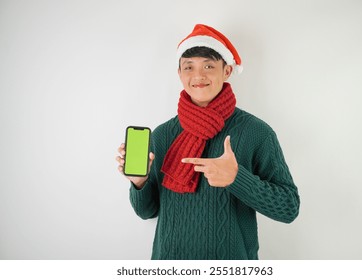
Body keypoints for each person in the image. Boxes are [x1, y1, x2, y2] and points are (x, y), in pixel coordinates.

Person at [116, 24, 300, 260]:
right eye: (189, 67)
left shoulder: (256, 132)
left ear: (227, 71)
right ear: (179, 74)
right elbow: (146, 211)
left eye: (209, 66)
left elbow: (288, 208)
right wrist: (139, 182)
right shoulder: (162, 135)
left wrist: (237, 178)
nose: (198, 76)